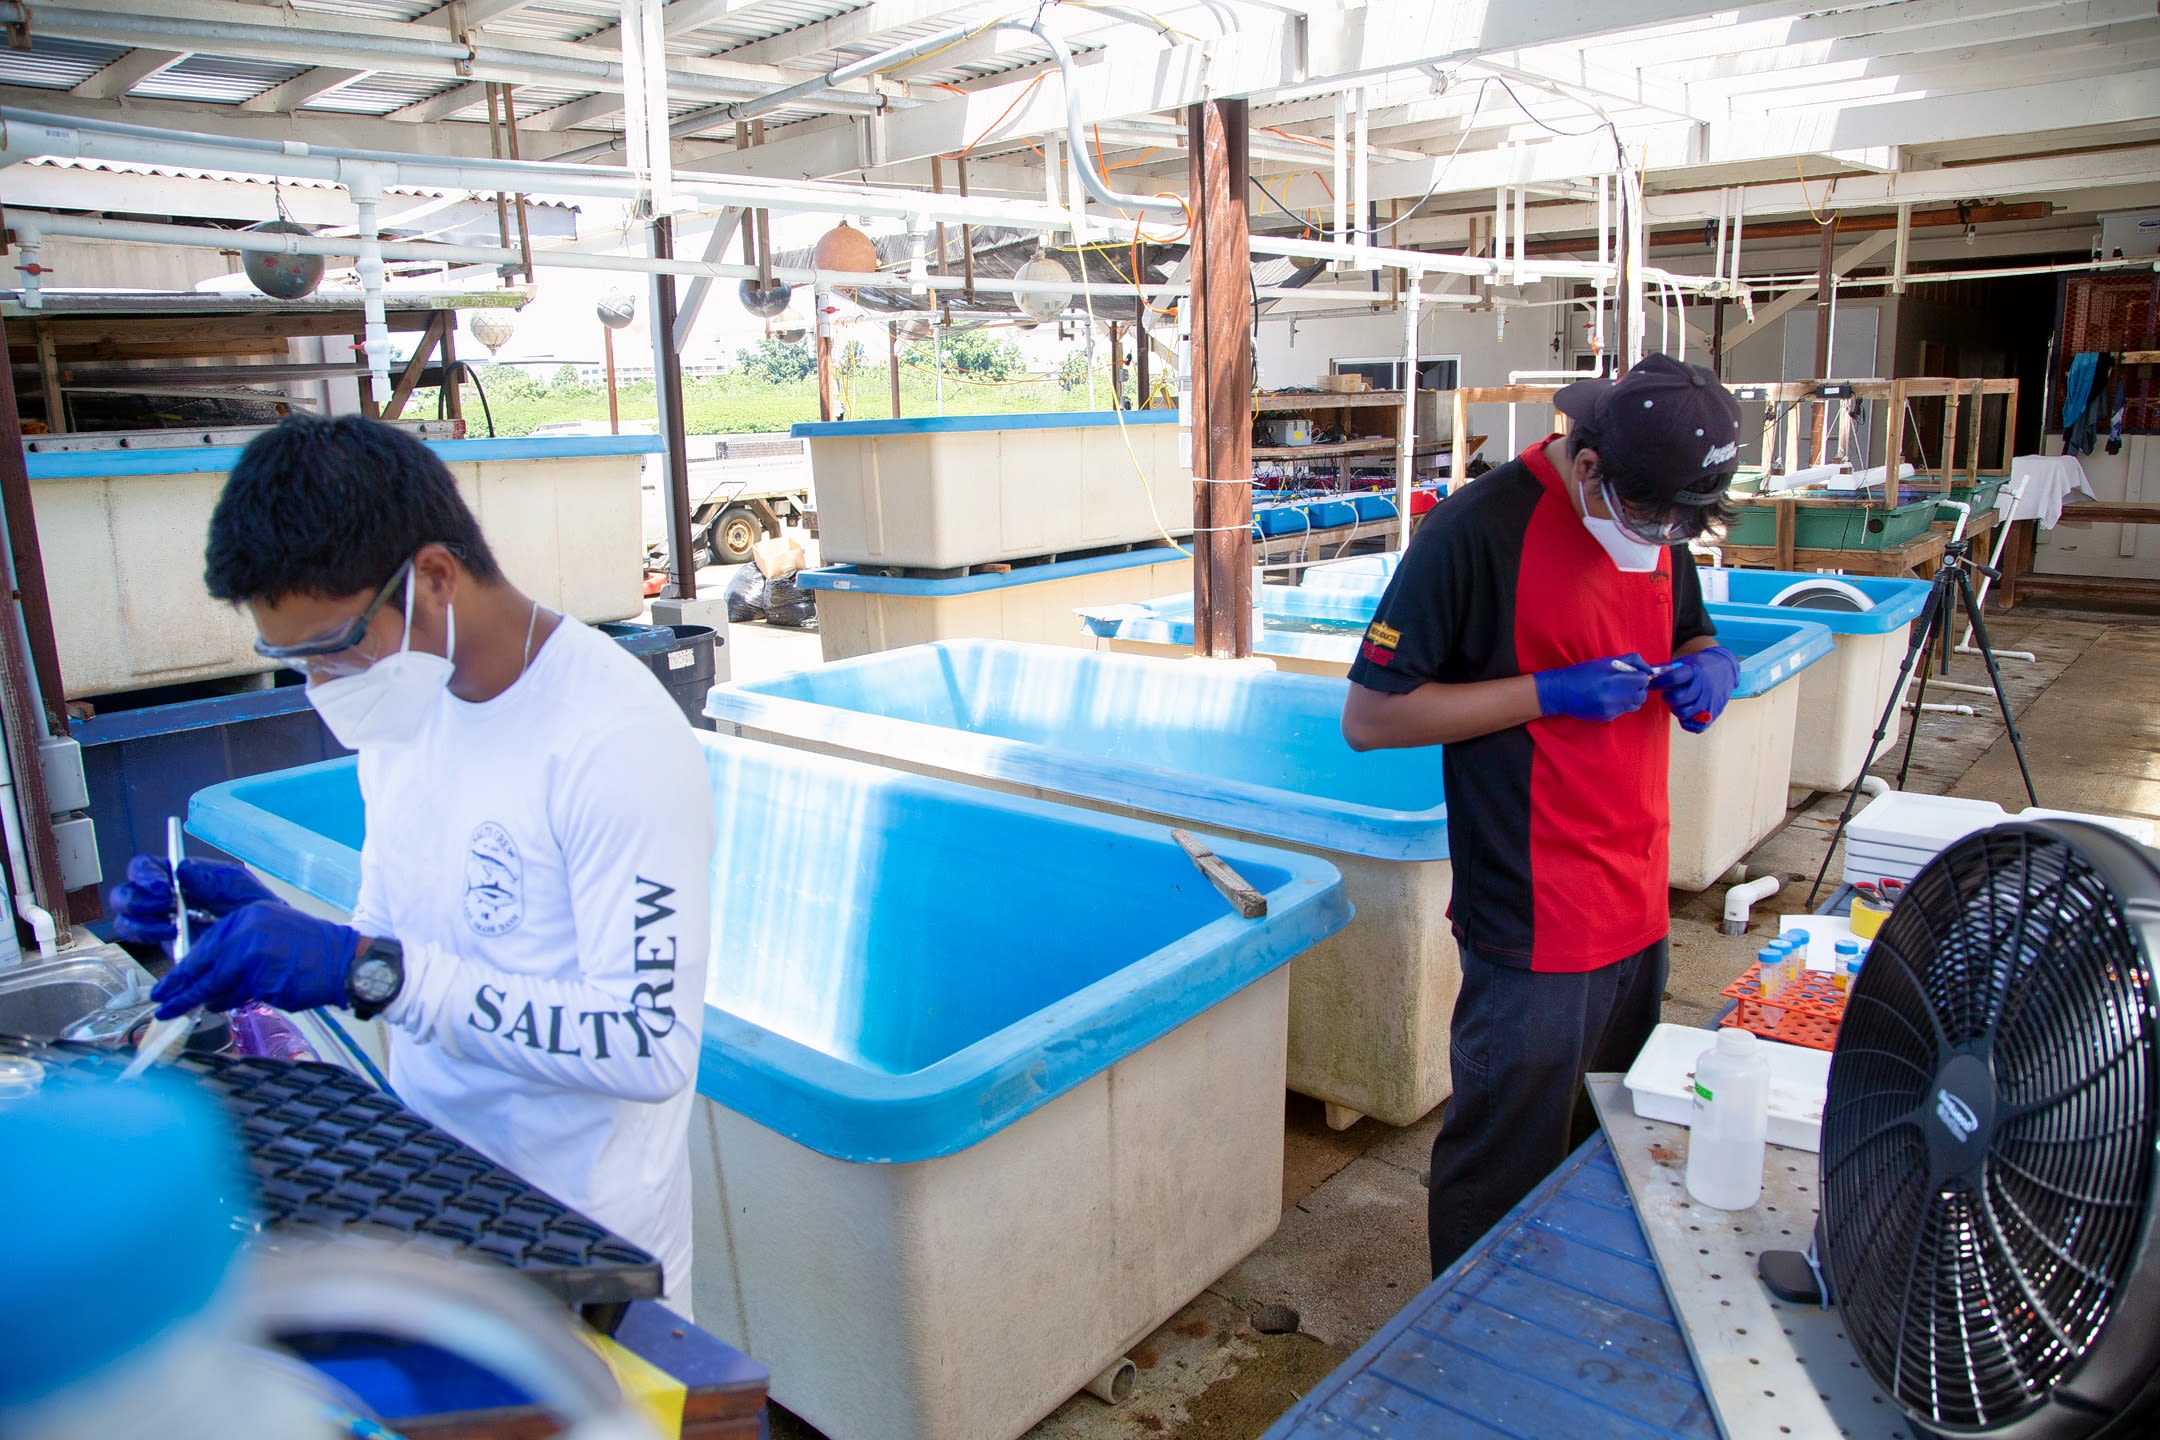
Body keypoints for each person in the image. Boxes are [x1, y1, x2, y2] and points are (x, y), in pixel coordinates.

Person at [109, 415, 715, 1312]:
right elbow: (406, 943)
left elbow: (647, 1043)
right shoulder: (406, 705)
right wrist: (262, 922)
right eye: (291, 661)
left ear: (432, 577)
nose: (322, 685)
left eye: (332, 645)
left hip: (586, 1247)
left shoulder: (612, 741)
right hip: (433, 1191)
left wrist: (361, 970)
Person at [1339, 354, 1743, 1277]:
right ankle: (1470, 1346)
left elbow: (1689, 626)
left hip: (1637, 894)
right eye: (1657, 519)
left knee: (1606, 1133)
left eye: (1685, 523)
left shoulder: (1655, 513)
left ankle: (1563, 1306)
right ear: (1591, 464)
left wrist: (1708, 659)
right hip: (1532, 909)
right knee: (1502, 1158)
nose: (1667, 538)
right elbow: (1370, 719)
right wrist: (1545, 693)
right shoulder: (1475, 532)